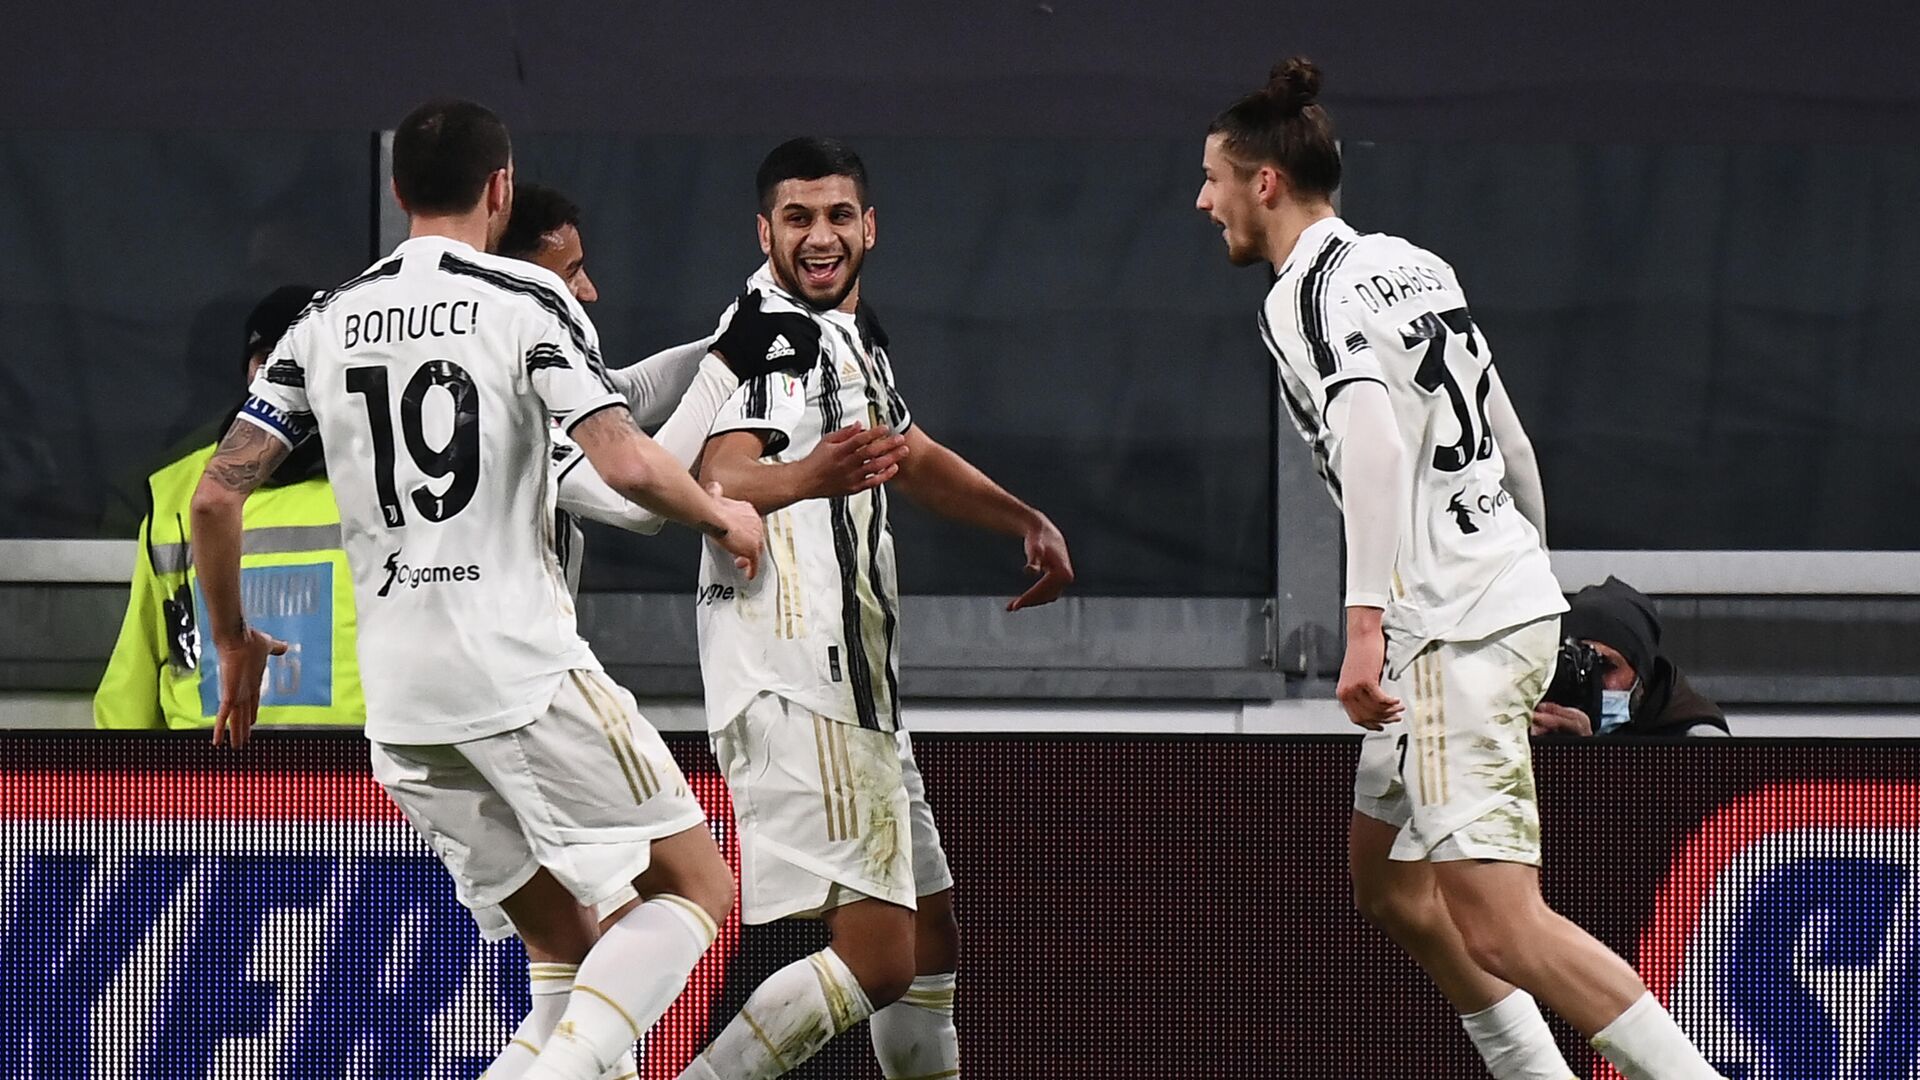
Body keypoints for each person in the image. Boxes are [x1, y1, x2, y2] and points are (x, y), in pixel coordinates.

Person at [188, 98, 769, 1080]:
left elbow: (215, 495)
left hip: (404, 706)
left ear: (399, 190)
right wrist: (724, 516)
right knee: (698, 887)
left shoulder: (322, 324)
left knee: (572, 963)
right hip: (518, 670)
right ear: (501, 190)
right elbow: (624, 462)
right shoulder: (521, 302)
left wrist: (236, 642)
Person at [1196, 59, 1725, 1080]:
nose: (1202, 199)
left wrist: (1368, 633)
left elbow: (1377, 446)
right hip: (1489, 604)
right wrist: (1527, 613)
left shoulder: (1301, 292)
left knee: (1502, 927)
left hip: (1446, 628)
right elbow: (1514, 447)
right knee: (1388, 883)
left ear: (1266, 182)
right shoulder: (1412, 263)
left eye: (1213, 176)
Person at [673, 137, 1075, 1080]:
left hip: (856, 692)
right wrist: (809, 474)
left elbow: (908, 450)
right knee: (881, 958)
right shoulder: (775, 335)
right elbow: (718, 471)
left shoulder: (850, 335)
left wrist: (1021, 516)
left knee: (930, 937)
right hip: (799, 680)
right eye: (798, 218)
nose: (820, 237)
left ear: (871, 227)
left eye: (838, 216)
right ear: (764, 230)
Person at [95, 284, 366, 733]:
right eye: (268, 361)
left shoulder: (384, 480)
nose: (282, 378)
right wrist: (116, 793)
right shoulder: (178, 491)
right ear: (247, 373)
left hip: (351, 782)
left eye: (300, 363)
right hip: (208, 785)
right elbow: (138, 664)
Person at [1531, 576, 1729, 738]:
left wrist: (1584, 754)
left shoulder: (1696, 738)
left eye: (1606, 666)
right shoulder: (1542, 713)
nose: (1592, 680)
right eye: (1577, 664)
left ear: (1643, 677)